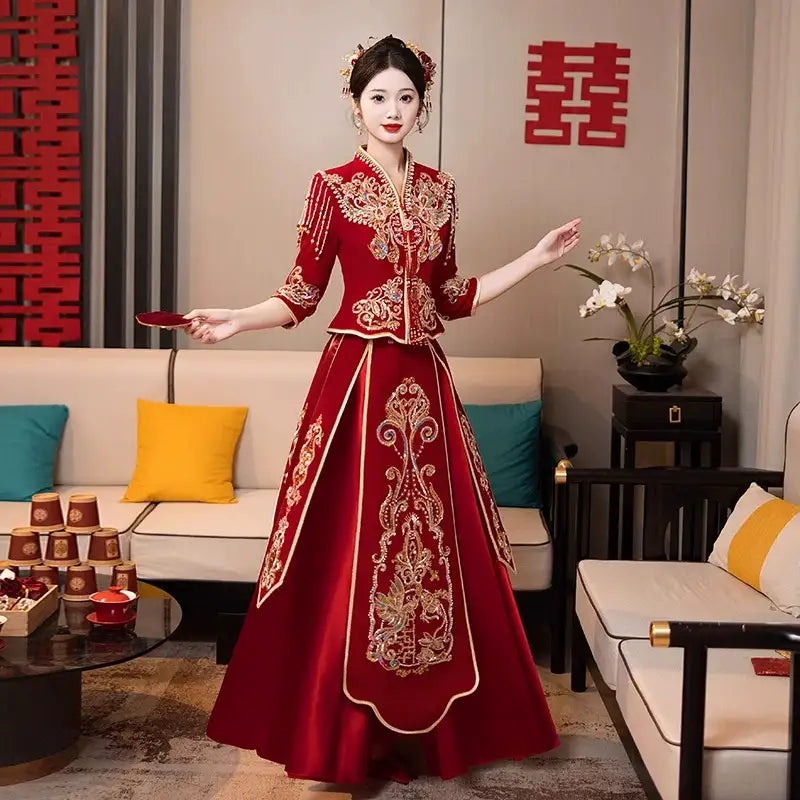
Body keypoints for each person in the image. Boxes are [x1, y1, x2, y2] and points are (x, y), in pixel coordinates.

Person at [191, 35, 581, 785]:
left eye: (406, 97)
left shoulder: (442, 190)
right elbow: (301, 294)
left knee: (434, 550)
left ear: (422, 106)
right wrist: (237, 319)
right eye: (379, 97)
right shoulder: (331, 186)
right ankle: (338, 736)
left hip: (424, 385)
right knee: (343, 553)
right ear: (355, 105)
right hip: (356, 385)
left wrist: (534, 260)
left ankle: (436, 729)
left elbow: (449, 297)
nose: (392, 110)